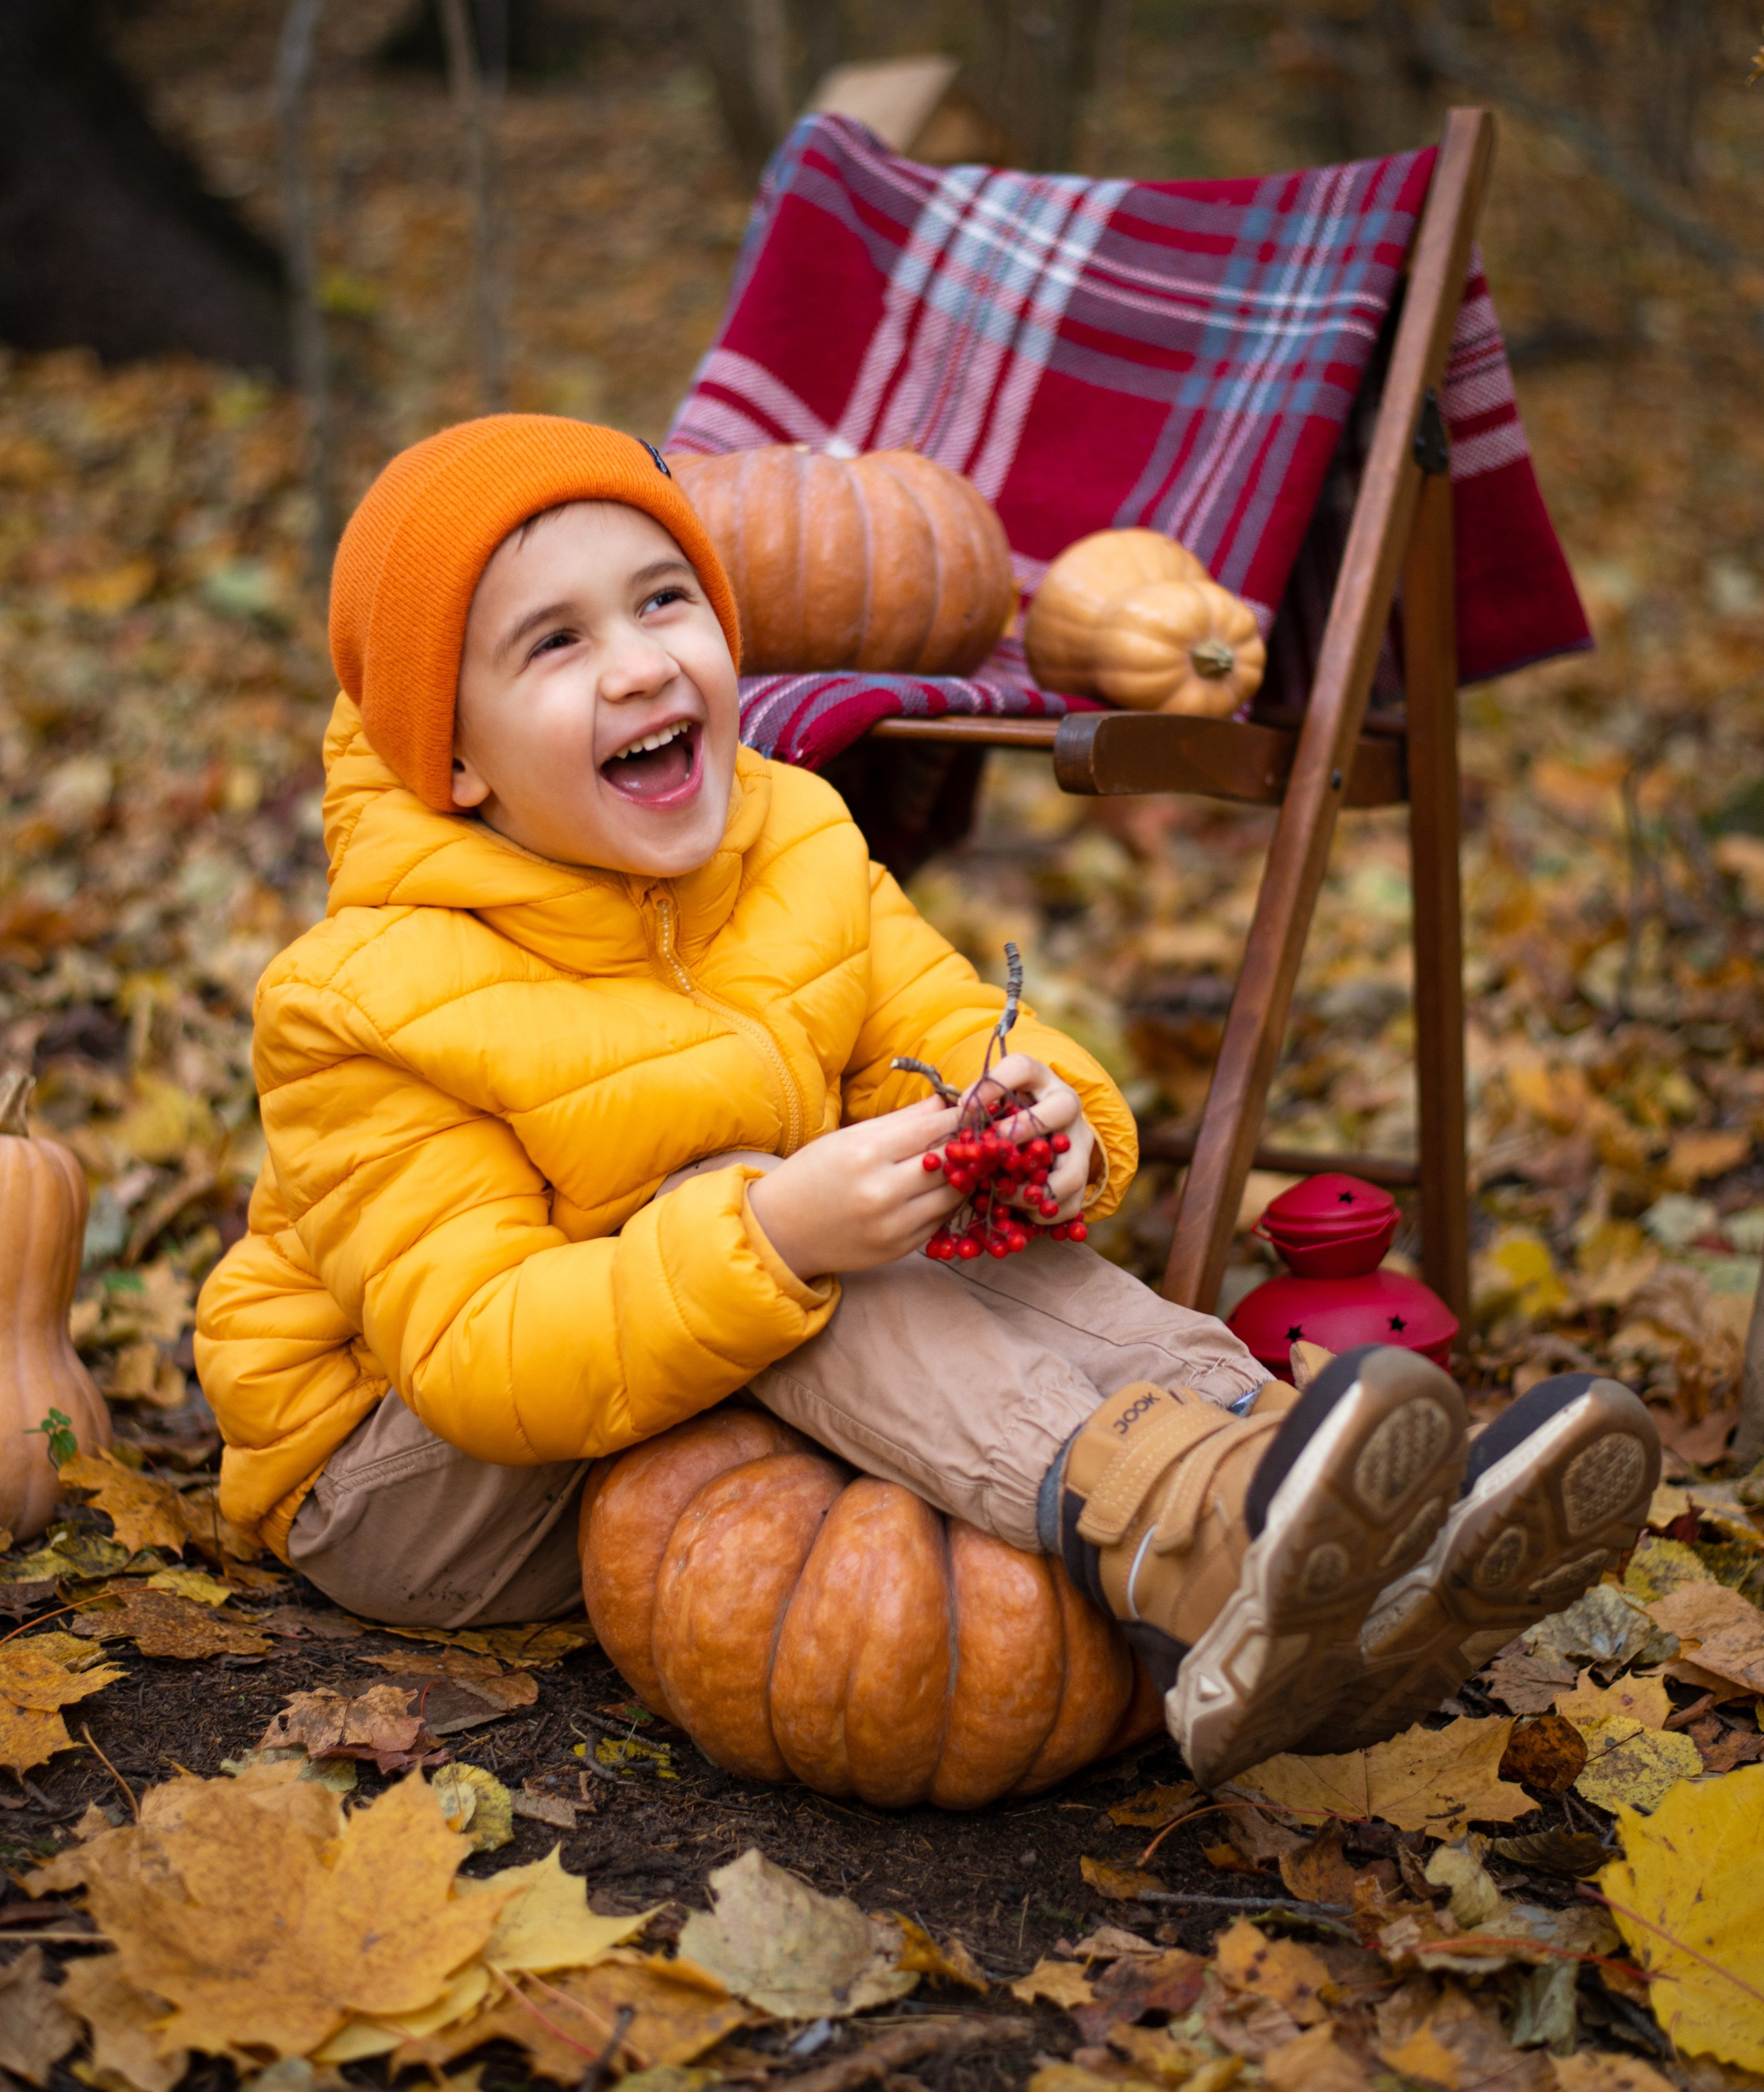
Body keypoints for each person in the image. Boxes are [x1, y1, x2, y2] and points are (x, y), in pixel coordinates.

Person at [196, 417, 1660, 1788]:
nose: (641, 666)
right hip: (413, 1467)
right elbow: (477, 1352)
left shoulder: (794, 838)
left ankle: (1294, 1480)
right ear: (450, 757)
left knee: (882, 1182)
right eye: (554, 643)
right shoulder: (360, 998)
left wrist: (1042, 1115)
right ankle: (1186, 1542)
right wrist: (770, 1233)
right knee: (736, 1203)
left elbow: (947, 1018)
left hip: (650, 1343)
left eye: (663, 602)